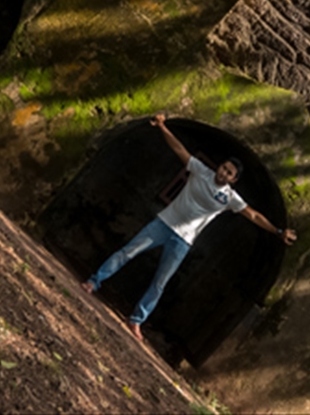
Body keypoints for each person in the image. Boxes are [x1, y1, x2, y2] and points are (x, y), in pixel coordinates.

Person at [80, 114, 297, 341]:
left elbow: (253, 214)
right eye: (223, 168)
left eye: (229, 173)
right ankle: (93, 282)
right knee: (127, 252)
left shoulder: (230, 198)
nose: (223, 173)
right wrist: (163, 127)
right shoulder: (201, 171)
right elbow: (179, 149)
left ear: (233, 180)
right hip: (163, 223)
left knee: (160, 283)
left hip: (183, 241)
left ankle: (136, 320)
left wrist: (278, 232)